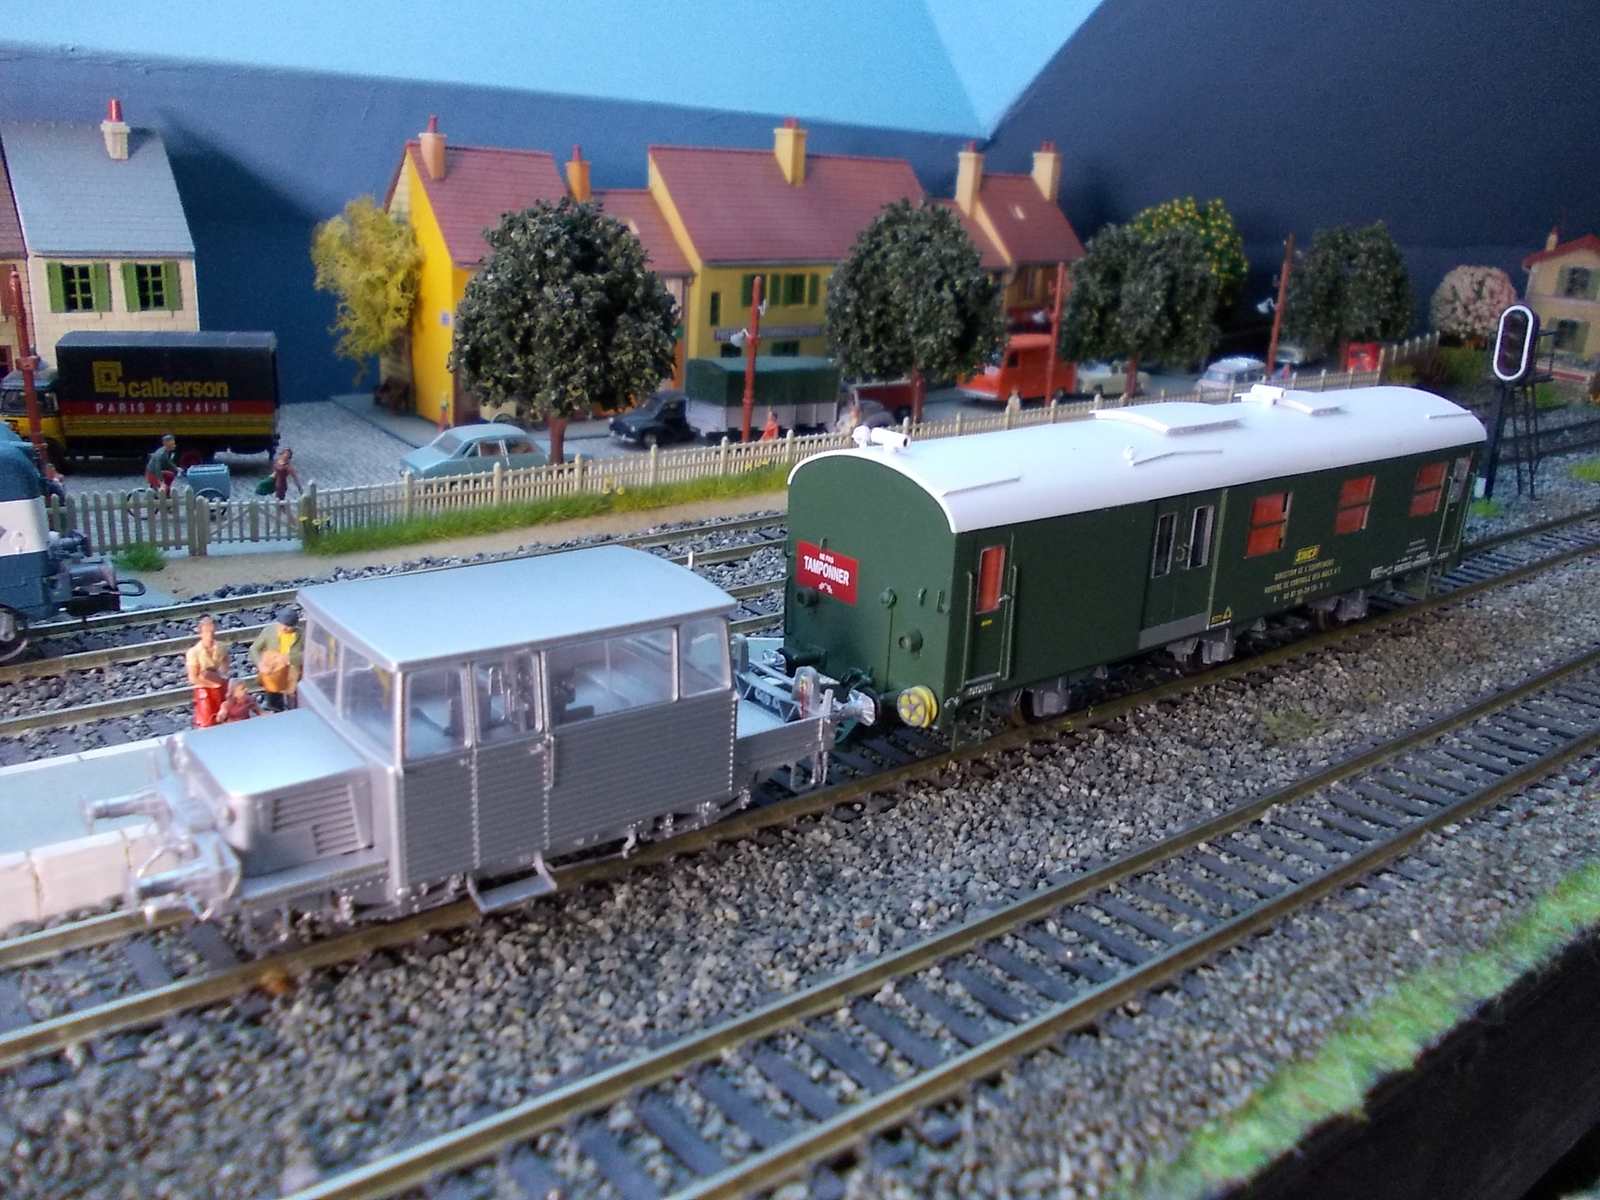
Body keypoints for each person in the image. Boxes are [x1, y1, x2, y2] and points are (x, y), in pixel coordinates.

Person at [249, 607, 303, 712]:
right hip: (274, 672)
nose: (284, 628)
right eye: (282, 625)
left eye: (289, 626)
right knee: (274, 697)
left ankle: (293, 710)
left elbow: (308, 653)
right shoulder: (269, 631)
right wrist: (260, 664)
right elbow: (254, 649)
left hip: (292, 671)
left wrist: (290, 658)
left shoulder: (300, 635)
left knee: (293, 697)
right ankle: (275, 708)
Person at [185, 615, 229, 728]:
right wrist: (211, 684)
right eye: (207, 631)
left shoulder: (221, 647)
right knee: (207, 719)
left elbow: (225, 666)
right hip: (204, 688)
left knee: (226, 715)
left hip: (220, 685)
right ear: (201, 633)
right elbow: (192, 677)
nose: (210, 634)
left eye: (212, 631)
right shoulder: (194, 652)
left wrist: (221, 677)